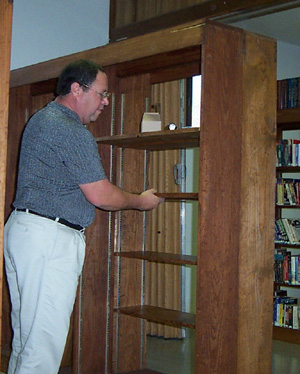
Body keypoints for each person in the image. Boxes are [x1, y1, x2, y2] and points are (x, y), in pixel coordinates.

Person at [4, 59, 164, 374]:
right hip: (49, 240)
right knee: (42, 348)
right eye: (102, 94)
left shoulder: (41, 119)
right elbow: (101, 195)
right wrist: (139, 201)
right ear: (77, 89)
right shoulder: (69, 128)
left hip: (25, 232)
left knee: (27, 341)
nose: (105, 102)